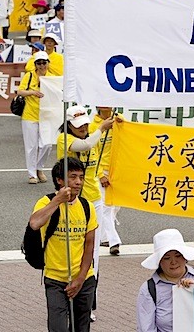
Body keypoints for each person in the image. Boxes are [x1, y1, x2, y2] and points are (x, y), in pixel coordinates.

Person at [56, 106, 118, 323]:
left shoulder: (94, 131)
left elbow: (102, 151)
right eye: (78, 125)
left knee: (92, 257)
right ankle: (64, 299)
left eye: (84, 124)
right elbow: (86, 144)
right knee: (69, 250)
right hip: (70, 202)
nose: (83, 128)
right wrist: (101, 127)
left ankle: (88, 304)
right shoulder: (64, 139)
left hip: (93, 201)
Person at [29, 158, 98, 332]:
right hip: (55, 279)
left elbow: (89, 246)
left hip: (83, 279)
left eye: (81, 177)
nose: (78, 182)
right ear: (60, 180)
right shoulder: (45, 202)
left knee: (81, 328)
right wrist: (57, 201)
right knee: (58, 328)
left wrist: (80, 279)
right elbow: (34, 224)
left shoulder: (87, 207)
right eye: (73, 177)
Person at [137, 228, 194, 332]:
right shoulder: (149, 289)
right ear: (159, 261)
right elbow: (146, 328)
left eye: (178, 256)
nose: (173, 262)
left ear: (185, 257)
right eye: (167, 258)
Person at [90, 107, 123, 255]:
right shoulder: (93, 126)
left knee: (115, 207)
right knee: (106, 208)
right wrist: (99, 174)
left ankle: (103, 237)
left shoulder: (119, 120)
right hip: (102, 171)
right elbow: (93, 152)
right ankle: (114, 241)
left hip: (117, 171)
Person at [17, 51, 53, 184]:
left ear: (48, 63)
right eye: (39, 63)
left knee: (47, 145)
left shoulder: (52, 78)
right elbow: (20, 91)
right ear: (35, 64)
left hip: (46, 116)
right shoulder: (29, 76)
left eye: (44, 62)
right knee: (31, 146)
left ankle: (39, 168)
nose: (42, 65)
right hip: (30, 114)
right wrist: (32, 92)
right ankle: (32, 174)